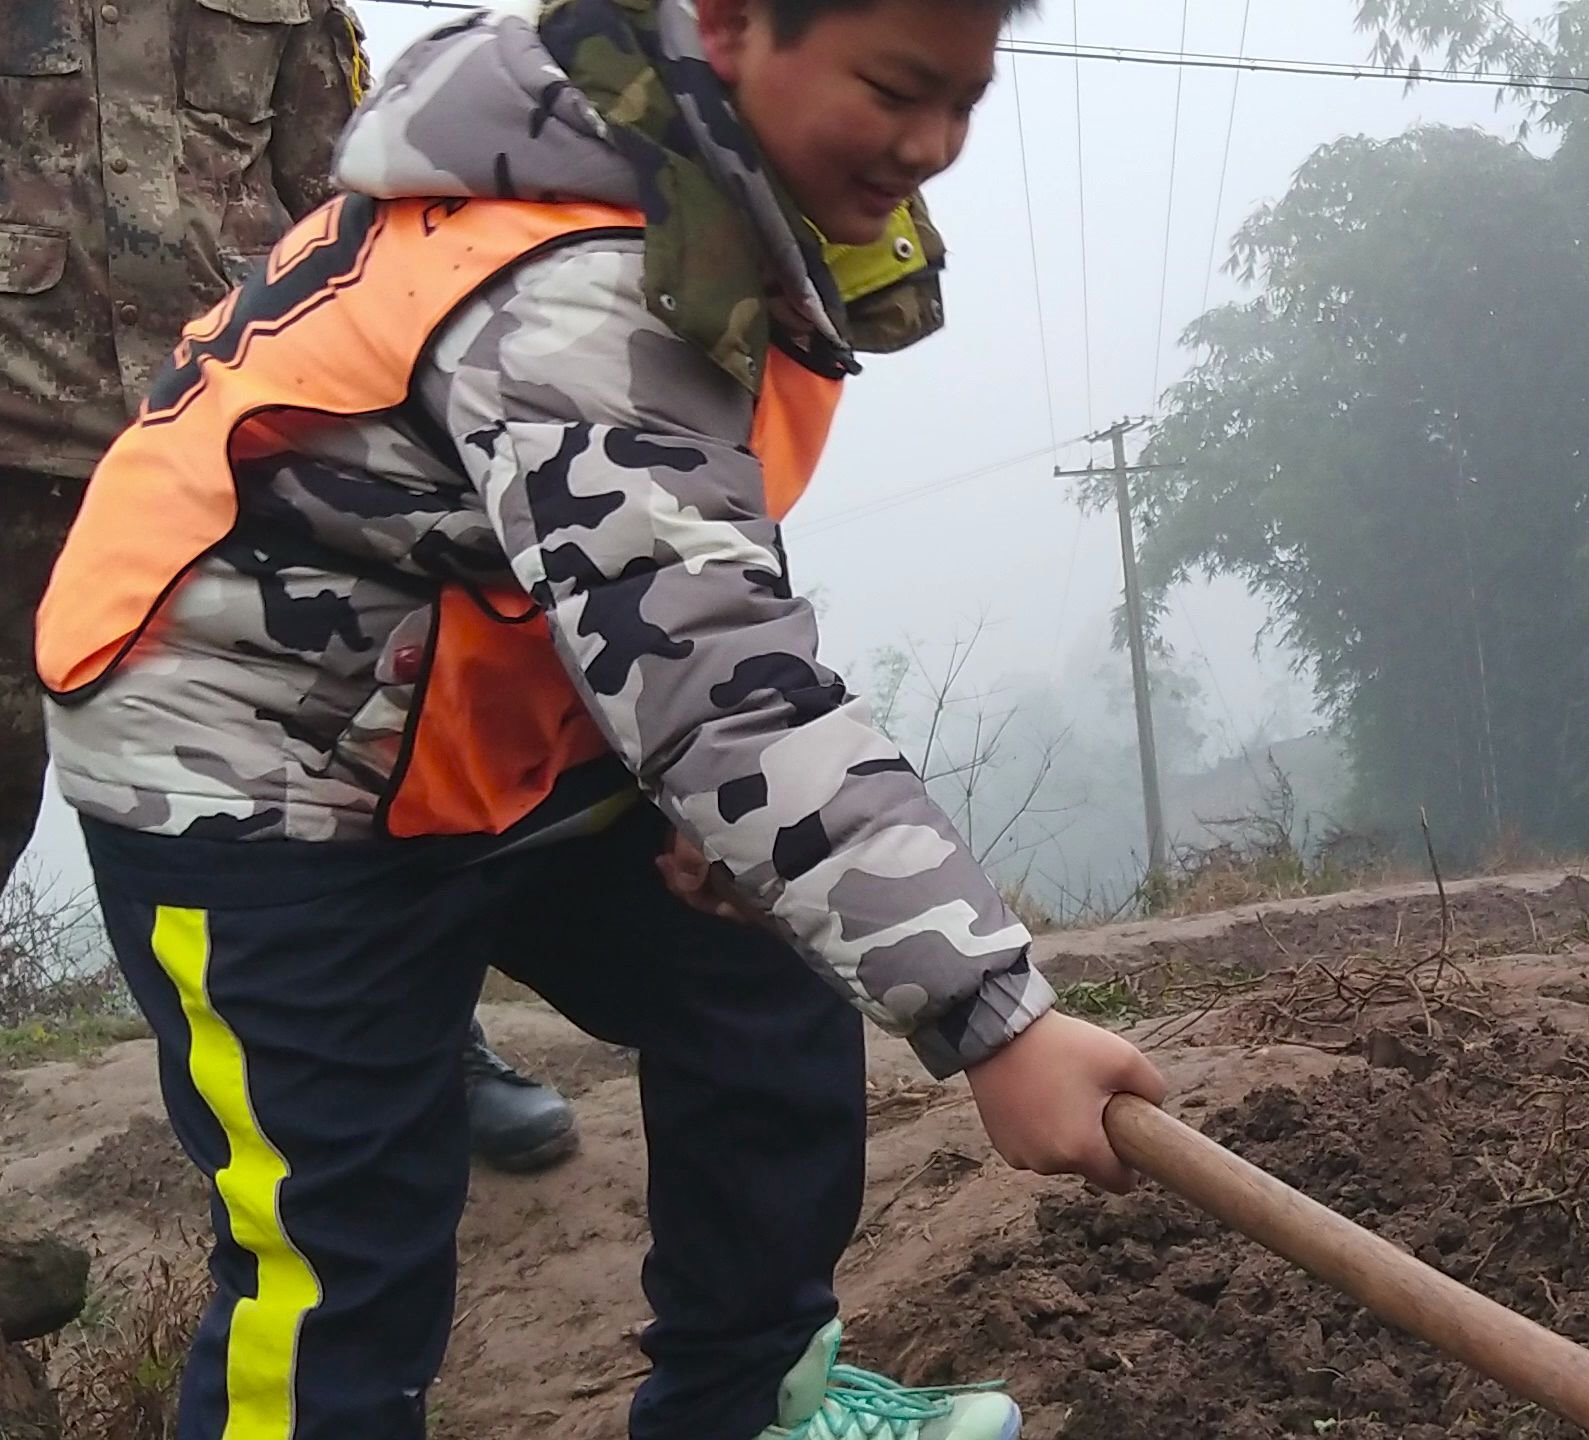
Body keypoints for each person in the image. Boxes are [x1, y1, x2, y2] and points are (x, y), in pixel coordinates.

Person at [35, 0, 1166, 1435]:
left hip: (477, 710)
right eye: (897, 88)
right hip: (251, 770)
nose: (931, 145)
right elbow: (709, 658)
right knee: (341, 1246)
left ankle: (744, 1406)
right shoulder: (572, 277)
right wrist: (995, 1015)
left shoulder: (696, 179)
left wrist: (721, 820)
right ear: (734, 20)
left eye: (966, 101)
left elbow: (670, 565)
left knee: (761, 994)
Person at [0, 0, 578, 1172]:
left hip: (234, 461)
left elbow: (352, 196)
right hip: (16, 452)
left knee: (355, 768)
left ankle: (432, 1054)